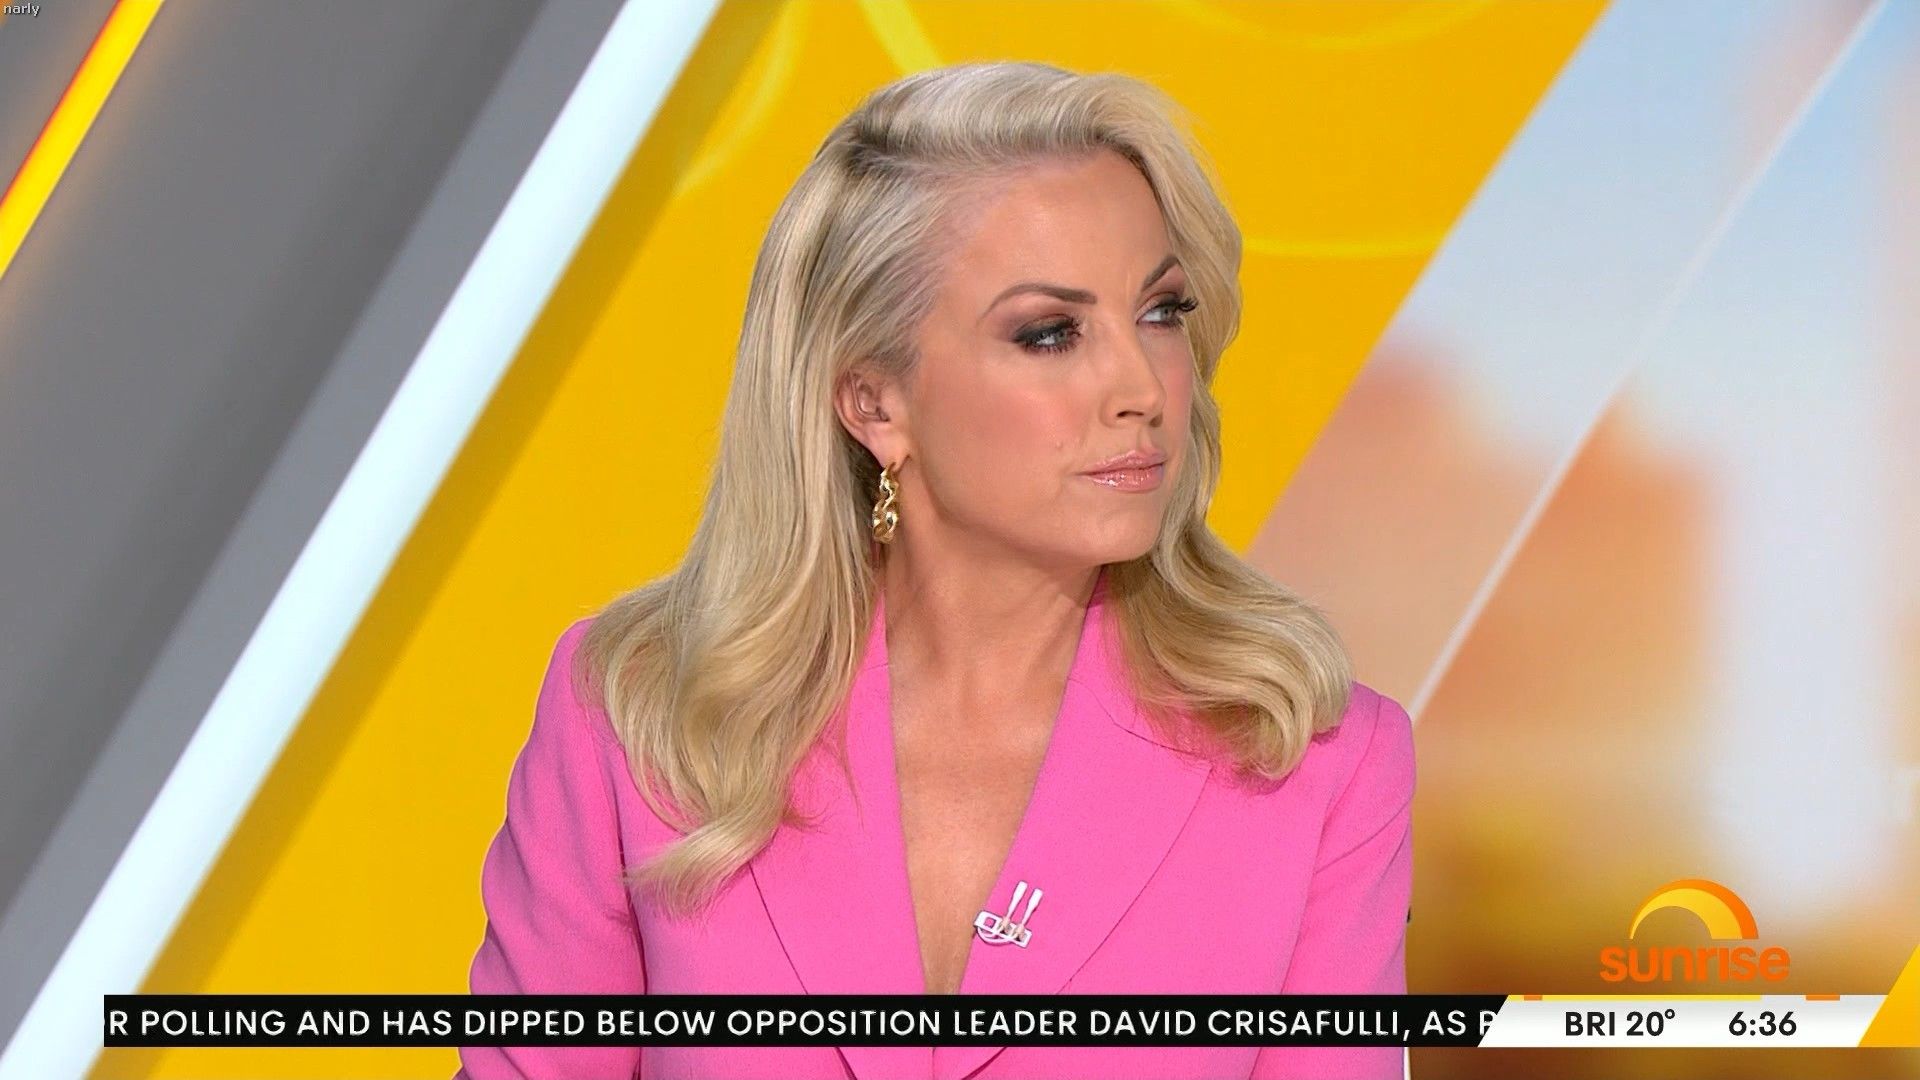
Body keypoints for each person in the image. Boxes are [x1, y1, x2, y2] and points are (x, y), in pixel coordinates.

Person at [458, 59, 1414, 1080]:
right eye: (1050, 334)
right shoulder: (639, 712)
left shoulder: (1316, 758)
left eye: (1161, 312)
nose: (1141, 385)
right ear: (875, 403)